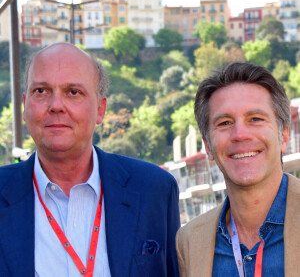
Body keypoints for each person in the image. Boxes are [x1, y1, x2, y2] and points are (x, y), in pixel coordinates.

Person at [0, 43, 180, 277]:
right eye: (41, 91)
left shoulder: (154, 190)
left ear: (100, 109)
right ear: (25, 106)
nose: (56, 106)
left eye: (73, 92)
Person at [176, 62, 300, 276]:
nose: (240, 134)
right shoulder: (189, 243)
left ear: (284, 136)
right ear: (208, 146)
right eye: (224, 123)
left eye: (256, 119)